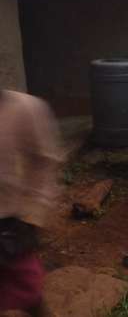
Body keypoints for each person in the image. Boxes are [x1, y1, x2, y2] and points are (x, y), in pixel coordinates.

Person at [0, 90, 64, 316]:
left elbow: (45, 162)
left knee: (28, 293)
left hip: (10, 224)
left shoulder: (23, 109)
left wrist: (32, 216)